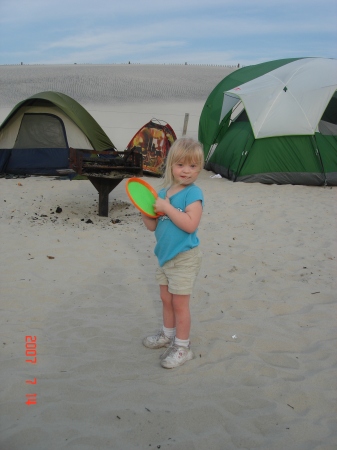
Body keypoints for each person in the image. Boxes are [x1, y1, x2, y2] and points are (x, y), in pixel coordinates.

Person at [141, 137, 204, 368]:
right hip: (165, 257)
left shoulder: (193, 194)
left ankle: (182, 347)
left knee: (180, 304)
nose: (186, 171)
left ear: (200, 168)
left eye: (193, 166)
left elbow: (190, 224)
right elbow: (153, 226)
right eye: (180, 165)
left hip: (184, 257)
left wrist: (167, 207)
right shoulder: (163, 192)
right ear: (171, 165)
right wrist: (145, 210)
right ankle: (167, 335)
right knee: (165, 299)